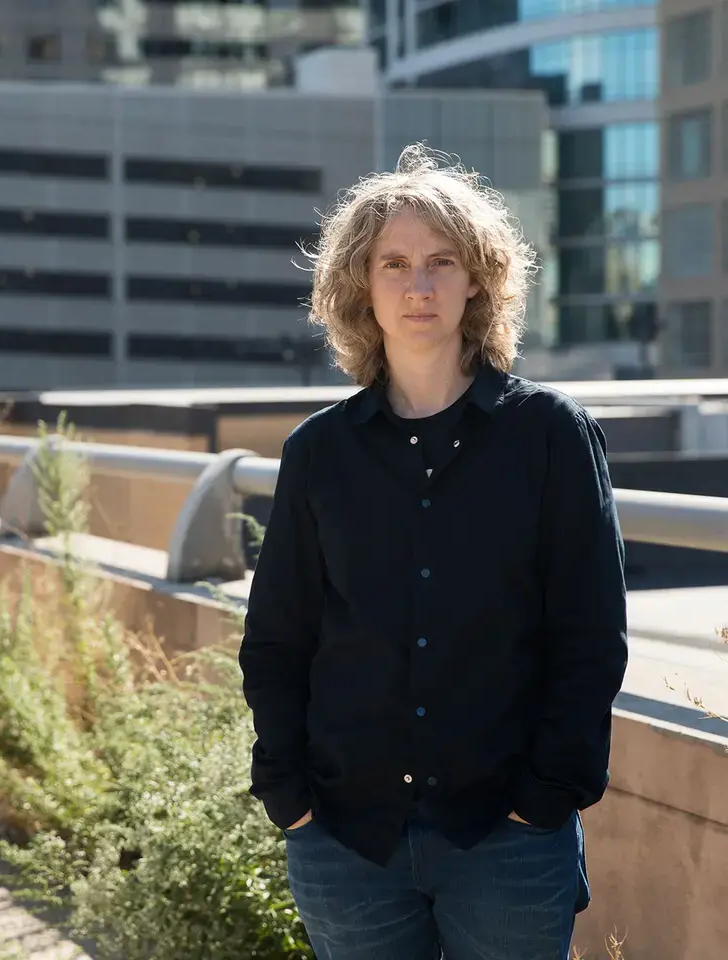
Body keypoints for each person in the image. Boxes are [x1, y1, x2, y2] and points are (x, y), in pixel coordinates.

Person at [238, 143, 628, 960]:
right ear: (361, 286)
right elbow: (278, 639)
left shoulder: (551, 437)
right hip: (346, 846)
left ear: (478, 278)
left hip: (509, 842)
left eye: (442, 262)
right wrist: (290, 803)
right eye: (396, 265)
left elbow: (590, 638)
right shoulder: (318, 453)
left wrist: (543, 800)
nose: (419, 286)